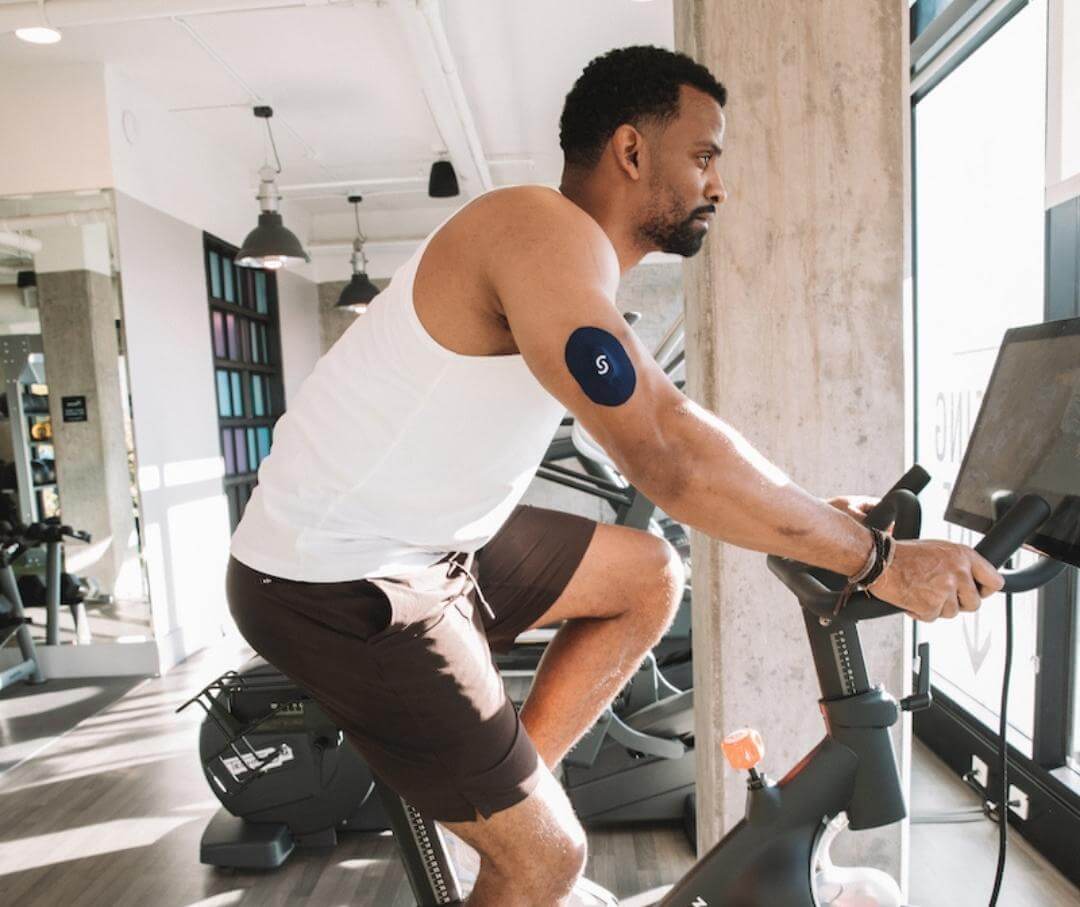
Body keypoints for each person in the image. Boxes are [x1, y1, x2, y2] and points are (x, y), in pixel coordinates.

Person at [226, 45, 1004, 906]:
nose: (719, 184)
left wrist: (812, 516)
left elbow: (681, 422)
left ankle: (501, 800)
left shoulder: (572, 265)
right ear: (632, 152)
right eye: (704, 156)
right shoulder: (537, 229)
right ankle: (517, 843)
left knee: (646, 574)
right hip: (330, 576)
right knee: (549, 862)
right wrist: (878, 562)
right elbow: (666, 449)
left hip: (437, 546)